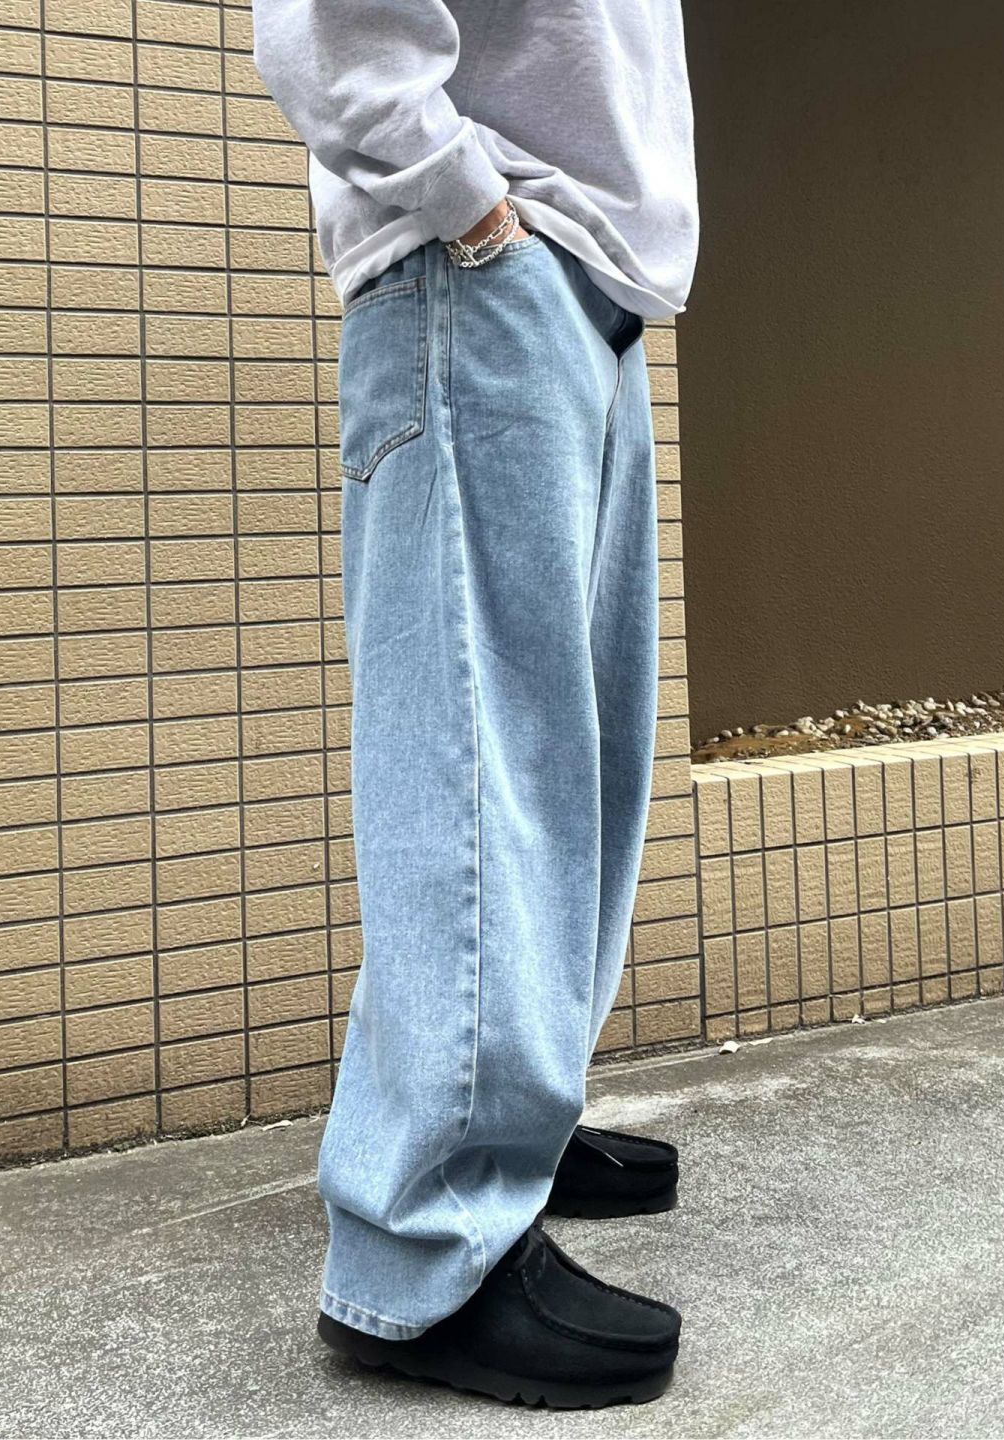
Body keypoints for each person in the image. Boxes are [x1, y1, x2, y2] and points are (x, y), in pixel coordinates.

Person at [252, 0, 700, 1410]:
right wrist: (468, 206)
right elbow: (329, 31)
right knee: (477, 751)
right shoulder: (481, 234)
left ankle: (514, 1122)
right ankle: (427, 1246)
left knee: (569, 758)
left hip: (581, 285)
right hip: (488, 262)